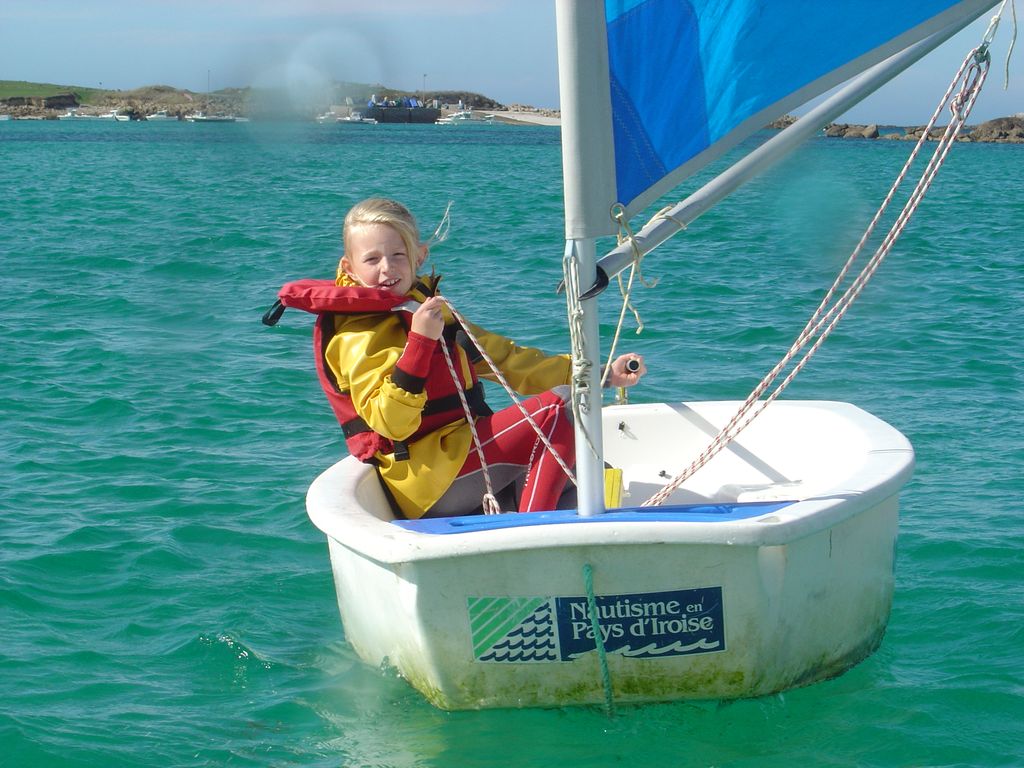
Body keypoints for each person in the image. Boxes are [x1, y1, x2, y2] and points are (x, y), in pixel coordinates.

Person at [323, 197, 646, 519]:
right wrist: (421, 342)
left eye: (398, 255)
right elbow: (390, 423)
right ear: (349, 267)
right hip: (425, 480)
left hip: (464, 456)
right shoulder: (357, 336)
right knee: (560, 406)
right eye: (372, 259)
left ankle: (574, 539)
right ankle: (531, 532)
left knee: (591, 474)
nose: (387, 268)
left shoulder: (424, 308)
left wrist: (600, 374)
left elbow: (506, 360)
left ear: (419, 256)